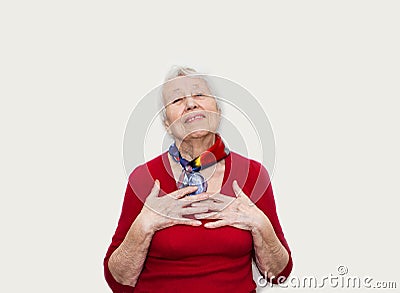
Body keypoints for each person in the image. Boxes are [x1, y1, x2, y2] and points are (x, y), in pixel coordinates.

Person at [104, 66, 293, 293]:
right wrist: (144, 225)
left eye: (199, 94)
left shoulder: (252, 173)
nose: (191, 104)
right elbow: (118, 281)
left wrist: (260, 224)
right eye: (177, 100)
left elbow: (279, 275)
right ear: (167, 124)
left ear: (218, 111)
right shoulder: (145, 178)